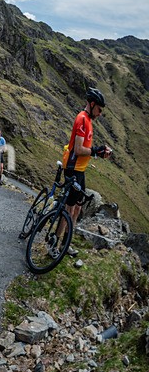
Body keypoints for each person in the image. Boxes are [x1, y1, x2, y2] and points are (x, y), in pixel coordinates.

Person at [54, 88, 112, 251]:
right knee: (69, 208)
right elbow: (78, 150)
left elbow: (86, 148)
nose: (100, 113)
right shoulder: (81, 119)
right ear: (92, 104)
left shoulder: (89, 121)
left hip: (80, 170)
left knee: (78, 207)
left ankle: (66, 243)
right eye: (99, 110)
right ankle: (55, 243)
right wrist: (96, 151)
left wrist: (99, 152)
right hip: (73, 169)